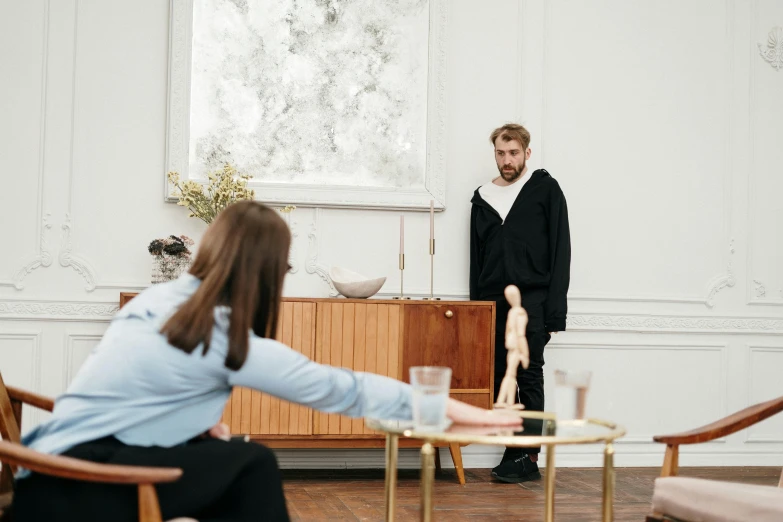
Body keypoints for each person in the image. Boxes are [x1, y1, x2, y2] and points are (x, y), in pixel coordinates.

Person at [12, 201, 522, 522]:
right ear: (268, 272)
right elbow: (341, 389)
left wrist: (189, 427)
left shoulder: (160, 301)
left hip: (46, 473)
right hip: (78, 490)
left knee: (227, 457)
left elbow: (135, 396)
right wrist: (467, 412)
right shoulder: (218, 331)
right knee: (251, 464)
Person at [469, 123, 571, 483]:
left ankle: (527, 456)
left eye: (513, 153)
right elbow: (476, 261)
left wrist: (555, 311)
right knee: (501, 376)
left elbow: (561, 252)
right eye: (500, 153)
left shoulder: (544, 189)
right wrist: (476, 312)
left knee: (527, 375)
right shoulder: (481, 197)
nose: (506, 160)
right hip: (493, 301)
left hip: (534, 300)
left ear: (527, 153)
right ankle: (511, 451)